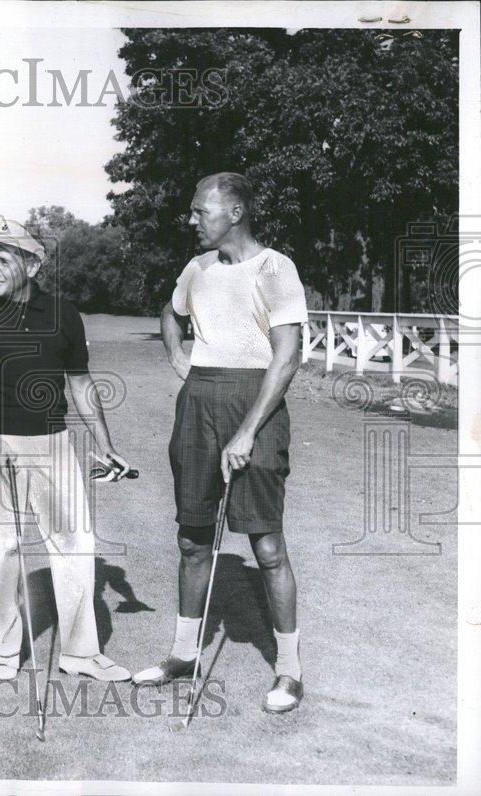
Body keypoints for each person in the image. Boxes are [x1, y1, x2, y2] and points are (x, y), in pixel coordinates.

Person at [133, 172, 308, 714]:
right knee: (192, 539)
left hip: (254, 402)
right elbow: (171, 314)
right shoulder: (197, 268)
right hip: (200, 401)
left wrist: (248, 430)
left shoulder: (276, 268)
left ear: (233, 212)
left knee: (267, 546)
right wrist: (178, 359)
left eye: (198, 211)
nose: (191, 220)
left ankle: (289, 670)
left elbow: (287, 357)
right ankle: (184, 654)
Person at [0, 219, 133, 682]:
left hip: (54, 444)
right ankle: (6, 647)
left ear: (32, 264)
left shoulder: (64, 315)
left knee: (75, 544)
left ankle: (79, 652)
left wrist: (105, 443)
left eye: (4, 258)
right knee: (3, 548)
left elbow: (81, 383)